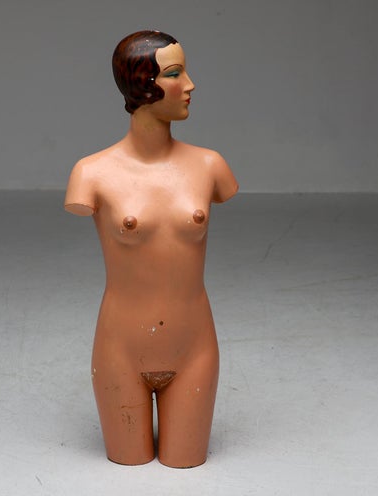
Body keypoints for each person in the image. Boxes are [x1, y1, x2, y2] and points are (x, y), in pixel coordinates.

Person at [64, 30, 238, 468]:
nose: (191, 84)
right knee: (127, 463)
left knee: (187, 462)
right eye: (175, 74)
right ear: (142, 86)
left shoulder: (210, 166)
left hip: (193, 347)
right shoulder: (91, 173)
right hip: (120, 348)